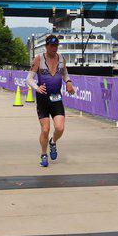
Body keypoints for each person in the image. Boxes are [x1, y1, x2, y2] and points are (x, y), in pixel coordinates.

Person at [26, 35, 75, 167]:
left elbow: (65, 73)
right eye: (51, 46)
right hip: (43, 98)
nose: (54, 48)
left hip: (56, 97)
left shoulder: (62, 59)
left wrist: (68, 82)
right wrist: (37, 87)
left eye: (56, 46)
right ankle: (43, 154)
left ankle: (52, 142)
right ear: (46, 46)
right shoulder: (39, 59)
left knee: (60, 128)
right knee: (45, 129)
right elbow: (29, 78)